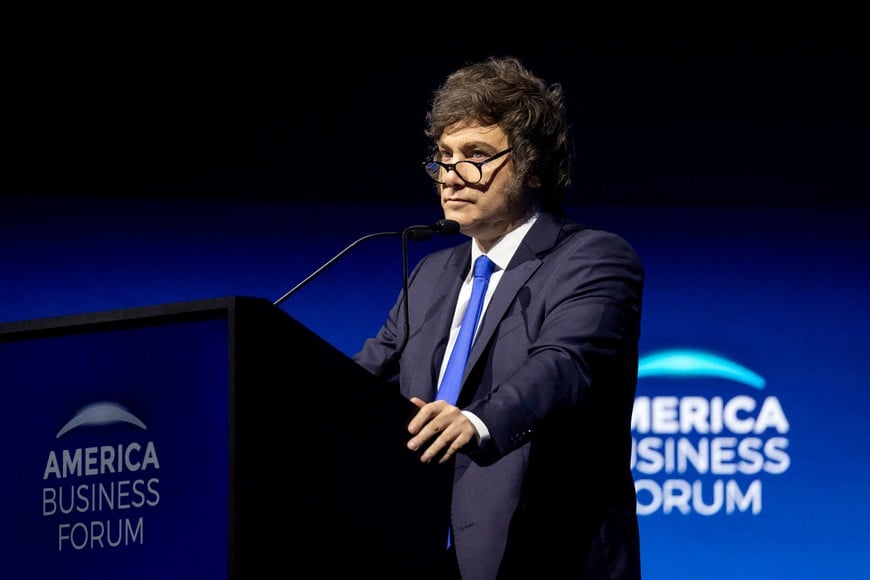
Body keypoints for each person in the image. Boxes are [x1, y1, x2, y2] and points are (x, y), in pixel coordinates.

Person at [352, 56, 644, 579]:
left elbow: (563, 365)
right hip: (425, 553)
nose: (449, 175)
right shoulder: (431, 275)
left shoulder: (592, 258)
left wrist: (476, 420)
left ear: (533, 167)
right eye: (443, 157)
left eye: (476, 155)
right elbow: (362, 377)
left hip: (548, 556)